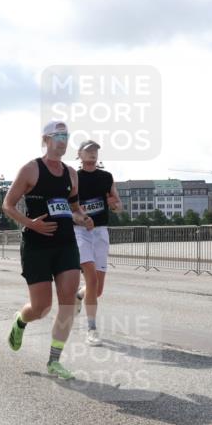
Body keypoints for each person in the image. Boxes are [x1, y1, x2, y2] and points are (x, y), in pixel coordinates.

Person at [3, 120, 92, 380]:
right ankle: (21, 320)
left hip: (65, 244)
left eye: (66, 136)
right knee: (41, 308)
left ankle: (54, 361)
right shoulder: (31, 169)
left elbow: (74, 209)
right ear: (46, 139)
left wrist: (84, 218)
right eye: (58, 135)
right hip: (36, 245)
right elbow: (7, 205)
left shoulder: (71, 174)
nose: (63, 140)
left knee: (67, 304)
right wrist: (31, 224)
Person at [73, 140, 123, 345]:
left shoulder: (106, 177)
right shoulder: (73, 177)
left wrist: (115, 205)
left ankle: (79, 296)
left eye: (95, 150)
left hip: (101, 232)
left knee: (97, 289)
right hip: (81, 232)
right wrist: (82, 218)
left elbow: (118, 205)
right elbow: (68, 207)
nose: (93, 153)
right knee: (92, 281)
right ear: (80, 154)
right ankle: (91, 330)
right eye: (88, 150)